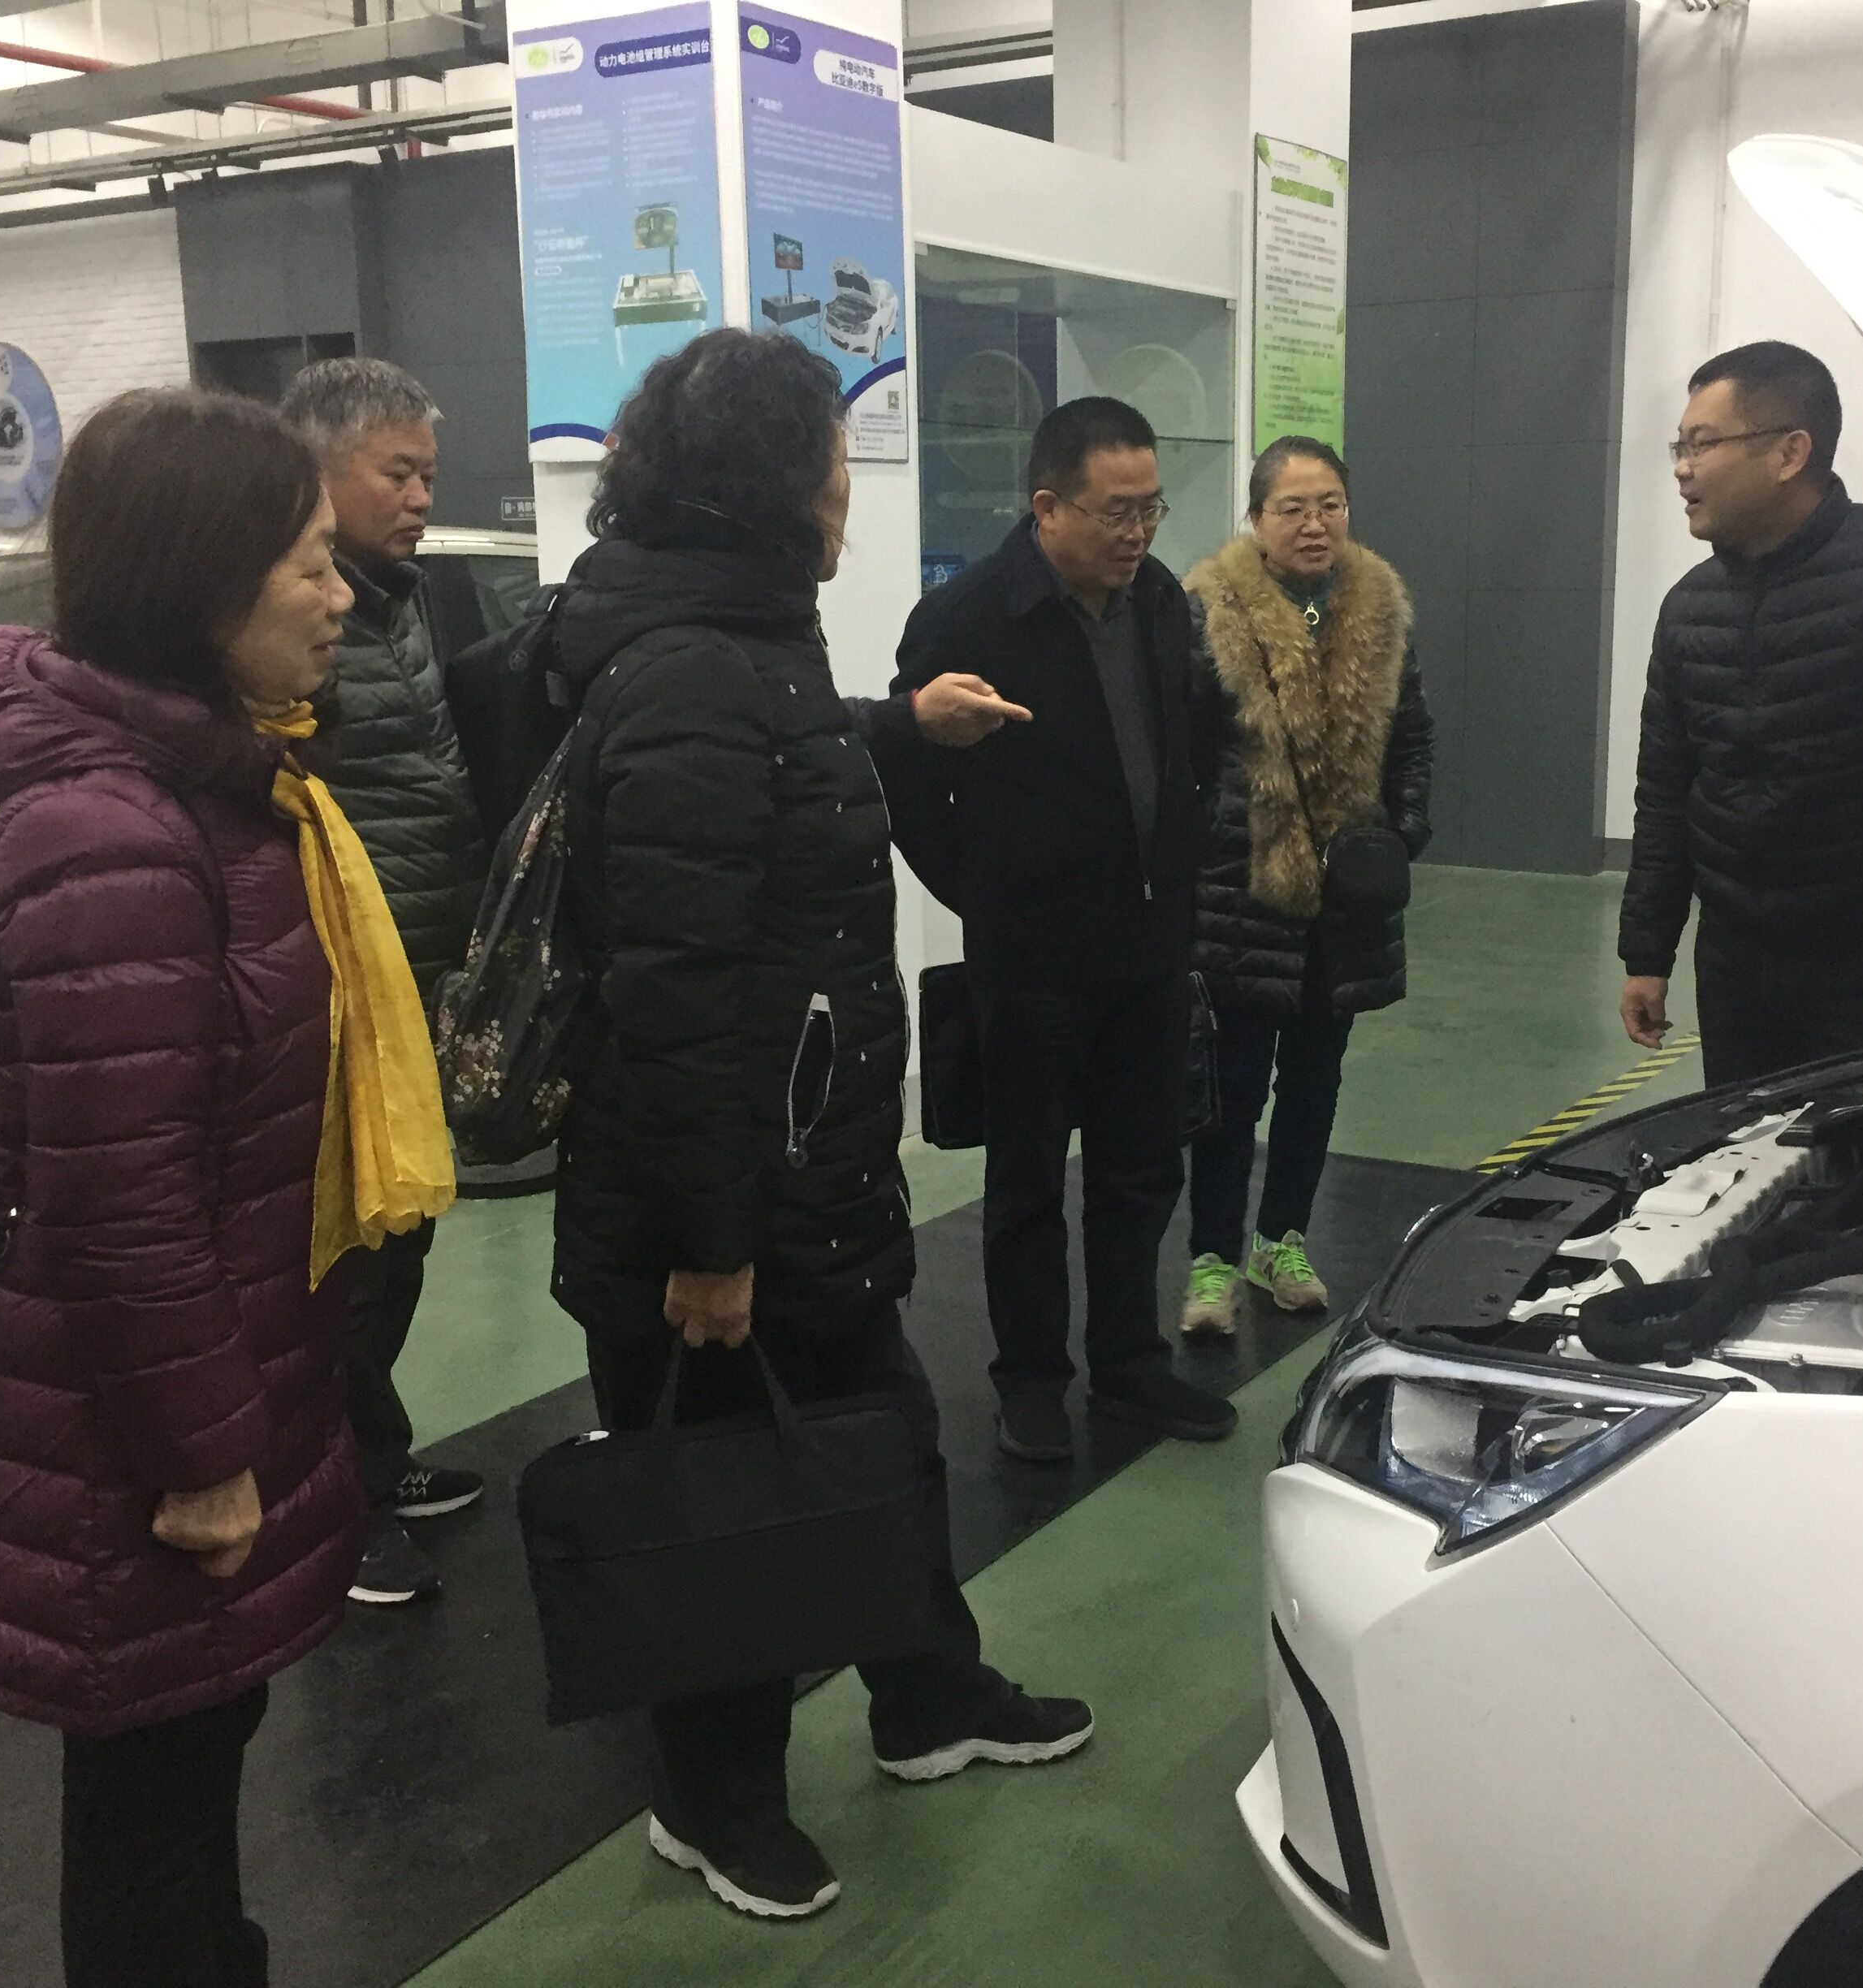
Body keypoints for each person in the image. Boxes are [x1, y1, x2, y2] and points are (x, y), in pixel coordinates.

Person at [0, 387, 450, 1986]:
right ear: (198, 585)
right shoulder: (109, 836)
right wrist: (202, 1458)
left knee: (187, 1771)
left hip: (216, 1375)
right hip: (136, 1434)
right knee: (149, 1807)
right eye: (307, 564)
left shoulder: (220, 783)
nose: (339, 598)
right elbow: (116, 1200)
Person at [550, 328, 1091, 1921]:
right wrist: (711, 1247)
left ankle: (926, 1697)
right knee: (726, 1511)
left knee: (885, 1446)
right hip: (720, 1210)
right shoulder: (691, 665)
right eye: (839, 459)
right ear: (777, 481)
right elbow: (673, 995)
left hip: (808, 1177)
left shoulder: (738, 636)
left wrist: (898, 724)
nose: (850, 488)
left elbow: (758, 772)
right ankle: (709, 1800)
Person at [882, 398, 1237, 1462]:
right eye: (1116, 512)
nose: (1138, 532)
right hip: (1030, 959)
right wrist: (987, 895)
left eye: (1151, 508)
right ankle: (1031, 1378)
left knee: (1140, 1171)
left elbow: (1191, 748)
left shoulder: (1162, 602)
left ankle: (1128, 1365)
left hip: (1149, 951)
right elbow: (909, 786)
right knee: (1028, 1180)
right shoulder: (967, 619)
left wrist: (1181, 859)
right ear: (1047, 506)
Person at [1619, 340, 1863, 1089]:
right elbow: (1666, 791)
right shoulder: (1690, 607)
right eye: (1680, 446)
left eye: (1703, 443)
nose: (1682, 468)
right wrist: (1647, 952)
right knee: (1745, 1145)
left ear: (1790, 453)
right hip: (1734, 966)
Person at [279, 359, 492, 1607]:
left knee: (403, 1231)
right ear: (319, 471)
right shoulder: (287, 615)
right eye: (397, 473)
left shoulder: (401, 599)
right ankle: (330, 1505)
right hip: (341, 985)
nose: (421, 497)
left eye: (428, 473)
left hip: (420, 968)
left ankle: (374, 1455)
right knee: (345, 1258)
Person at [1178, 437, 1433, 1337]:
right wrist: (1216, 842)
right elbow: (1183, 755)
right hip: (1242, 894)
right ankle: (1211, 1257)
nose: (1315, 523)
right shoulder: (1209, 616)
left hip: (1345, 904)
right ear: (1257, 518)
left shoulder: (1380, 610)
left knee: (1316, 1081)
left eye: (1330, 504)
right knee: (1232, 1089)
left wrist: (1398, 835)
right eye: (1293, 508)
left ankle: (1279, 1240)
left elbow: (1413, 740)